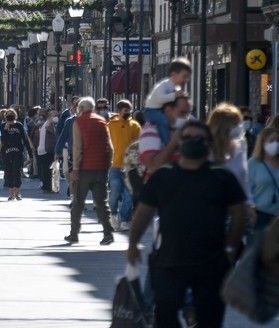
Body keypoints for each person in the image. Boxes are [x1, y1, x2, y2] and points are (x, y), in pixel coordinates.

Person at [127, 120, 247, 328]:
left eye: (199, 138)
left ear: (208, 144)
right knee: (165, 312)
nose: (193, 141)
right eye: (187, 137)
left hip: (211, 260)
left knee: (209, 317)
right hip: (169, 258)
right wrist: (133, 243)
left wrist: (230, 246)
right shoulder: (164, 175)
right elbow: (144, 212)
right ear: (178, 143)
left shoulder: (221, 175)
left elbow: (239, 212)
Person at [65, 96, 114, 245]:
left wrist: (76, 169)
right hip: (101, 168)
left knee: (78, 202)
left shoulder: (78, 122)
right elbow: (110, 146)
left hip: (85, 169)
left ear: (80, 108)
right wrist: (107, 164)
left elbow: (77, 147)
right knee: (101, 202)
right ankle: (107, 233)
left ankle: (74, 234)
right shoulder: (102, 121)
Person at [139, 91, 192, 179]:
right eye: (182, 113)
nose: (186, 118)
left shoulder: (186, 127)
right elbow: (153, 166)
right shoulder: (151, 130)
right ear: (168, 110)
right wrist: (173, 143)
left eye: (188, 113)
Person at [142, 57, 193, 146]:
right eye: (184, 76)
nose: (186, 80)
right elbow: (160, 99)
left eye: (187, 77)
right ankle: (168, 143)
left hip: (159, 110)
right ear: (174, 75)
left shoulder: (175, 87)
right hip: (152, 111)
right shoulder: (164, 85)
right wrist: (175, 95)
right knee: (164, 122)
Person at [107, 100, 141, 231]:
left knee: (129, 195)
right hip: (115, 164)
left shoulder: (135, 125)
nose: (128, 113)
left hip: (131, 166)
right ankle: (113, 214)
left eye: (130, 111)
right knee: (114, 192)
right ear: (119, 111)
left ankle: (125, 219)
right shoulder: (110, 125)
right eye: (126, 111)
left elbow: (140, 144)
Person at [249, 127, 279, 229]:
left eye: (278, 141)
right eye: (271, 141)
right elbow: (247, 190)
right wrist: (250, 210)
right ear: (263, 143)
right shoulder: (253, 163)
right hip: (261, 216)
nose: (275, 144)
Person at [0, 109, 34, 201]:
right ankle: (11, 194)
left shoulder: (19, 125)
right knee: (9, 172)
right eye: (8, 114)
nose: (9, 116)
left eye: (11, 114)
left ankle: (18, 193)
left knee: (17, 171)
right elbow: (1, 140)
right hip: (6, 152)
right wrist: (5, 130)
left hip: (18, 151)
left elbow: (25, 139)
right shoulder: (2, 126)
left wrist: (30, 152)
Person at [36, 109, 58, 193]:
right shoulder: (49, 124)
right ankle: (47, 187)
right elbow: (54, 134)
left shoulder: (47, 123)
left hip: (44, 149)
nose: (56, 117)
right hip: (46, 149)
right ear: (50, 117)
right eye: (54, 115)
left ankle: (46, 186)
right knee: (48, 169)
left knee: (46, 169)